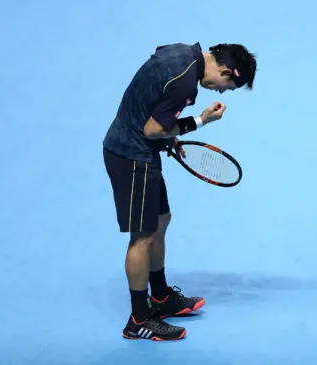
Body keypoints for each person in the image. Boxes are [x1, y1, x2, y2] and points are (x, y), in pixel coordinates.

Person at [102, 42, 257, 341]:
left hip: (142, 150)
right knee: (142, 237)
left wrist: (166, 137)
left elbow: (153, 101)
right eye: (227, 86)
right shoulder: (185, 82)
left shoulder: (182, 53)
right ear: (225, 70)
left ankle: (160, 297)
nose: (221, 92)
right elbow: (152, 129)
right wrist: (200, 121)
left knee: (161, 220)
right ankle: (139, 319)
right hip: (131, 155)